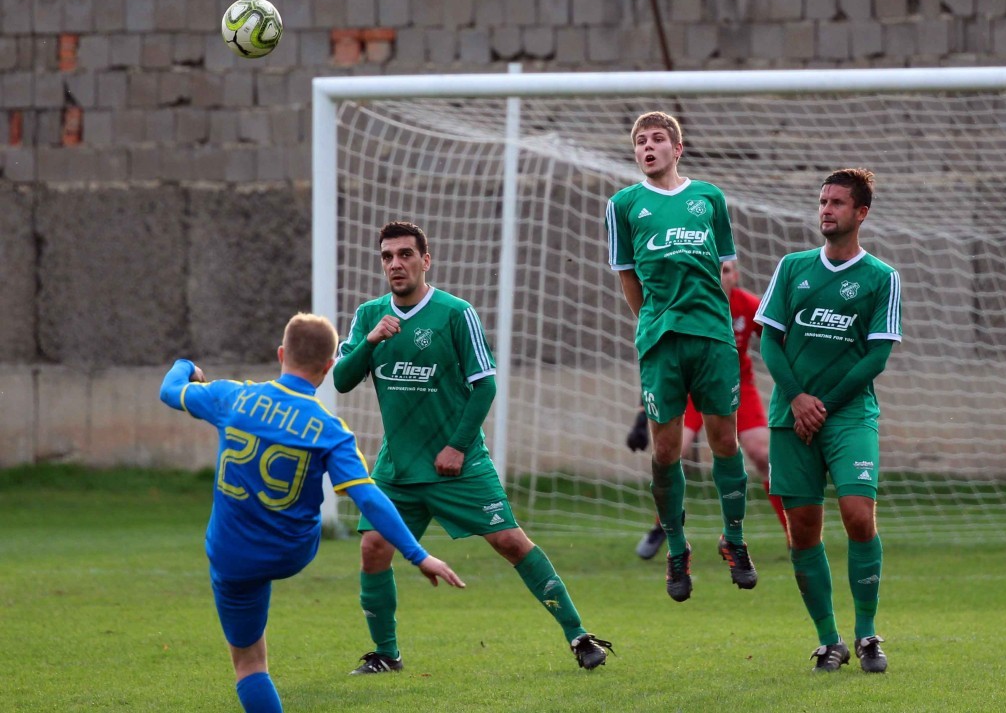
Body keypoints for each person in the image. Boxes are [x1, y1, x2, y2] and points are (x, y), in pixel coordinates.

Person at [333, 221, 612, 673]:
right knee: (372, 549)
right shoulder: (370, 317)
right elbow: (343, 380)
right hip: (398, 468)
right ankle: (387, 654)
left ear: (426, 261)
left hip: (456, 463)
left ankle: (578, 635)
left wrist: (458, 447)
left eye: (405, 254)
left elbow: (484, 386)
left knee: (509, 541)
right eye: (387, 257)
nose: (395, 264)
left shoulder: (455, 313)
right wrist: (370, 342)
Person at [158, 313, 466, 713]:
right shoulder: (330, 429)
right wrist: (419, 555)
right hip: (293, 551)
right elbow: (368, 498)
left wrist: (188, 366)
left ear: (281, 353)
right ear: (327, 368)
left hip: (233, 554)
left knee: (250, 664)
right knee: (301, 525)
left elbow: (169, 391)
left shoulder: (232, 396)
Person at [754, 168, 902, 673]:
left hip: (849, 416)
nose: (826, 210)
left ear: (861, 213)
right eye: (822, 201)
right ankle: (829, 640)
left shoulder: (882, 278)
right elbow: (769, 340)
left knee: (859, 515)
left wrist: (823, 406)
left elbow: (876, 356)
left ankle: (866, 636)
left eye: (837, 202)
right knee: (803, 531)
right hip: (789, 418)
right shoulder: (793, 268)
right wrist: (797, 400)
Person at [605, 110, 756, 602]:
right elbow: (628, 275)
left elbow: (723, 267)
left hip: (712, 337)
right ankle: (676, 548)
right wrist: (651, 320)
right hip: (661, 342)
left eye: (656, 140)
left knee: (724, 443)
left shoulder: (709, 198)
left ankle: (733, 540)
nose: (647, 147)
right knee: (666, 450)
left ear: (677, 148)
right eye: (640, 142)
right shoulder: (623, 205)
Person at [627, 260, 787, 560]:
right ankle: (662, 526)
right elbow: (662, 361)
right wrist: (640, 417)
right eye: (716, 270)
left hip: (737, 387)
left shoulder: (749, 305)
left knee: (763, 453)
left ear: (736, 275)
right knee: (670, 452)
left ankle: (793, 532)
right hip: (689, 390)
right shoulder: (687, 304)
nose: (721, 276)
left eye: (726, 271)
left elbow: (776, 342)